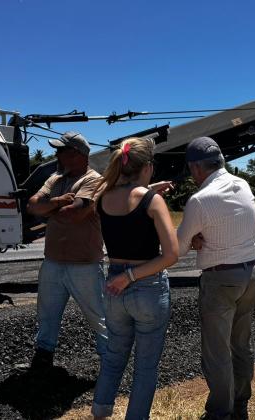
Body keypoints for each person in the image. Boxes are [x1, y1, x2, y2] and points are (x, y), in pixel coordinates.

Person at [90, 137, 178, 420]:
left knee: (114, 358)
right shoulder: (154, 201)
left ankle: (100, 412)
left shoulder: (103, 198)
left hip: (114, 287)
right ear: (148, 167)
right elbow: (171, 255)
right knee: (145, 367)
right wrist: (131, 276)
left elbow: (125, 198)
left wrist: (123, 277)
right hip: (147, 288)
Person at [176, 137, 255, 420]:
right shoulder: (243, 184)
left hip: (220, 278)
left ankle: (219, 413)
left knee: (216, 352)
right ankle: (241, 404)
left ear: (197, 168)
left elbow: (177, 247)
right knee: (240, 344)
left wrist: (193, 240)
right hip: (251, 274)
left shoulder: (200, 200)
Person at [26, 131, 107, 369]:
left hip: (84, 263)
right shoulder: (56, 178)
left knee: (98, 317)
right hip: (53, 261)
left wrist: (47, 208)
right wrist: (59, 202)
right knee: (47, 314)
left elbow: (76, 213)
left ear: (77, 154)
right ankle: (43, 357)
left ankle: (110, 361)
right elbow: (32, 206)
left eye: (61, 150)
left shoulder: (94, 180)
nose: (57, 154)